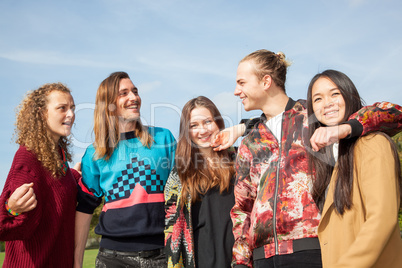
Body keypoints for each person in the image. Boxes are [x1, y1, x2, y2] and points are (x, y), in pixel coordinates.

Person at [231, 49, 402, 268]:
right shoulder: (250, 142)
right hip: (262, 256)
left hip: (312, 249)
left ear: (266, 81)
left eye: (242, 83)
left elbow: (393, 113)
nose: (236, 91)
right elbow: (242, 207)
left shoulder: (315, 114)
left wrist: (345, 129)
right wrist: (241, 261)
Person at [74, 71, 176, 268]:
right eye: (124, 93)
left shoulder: (164, 139)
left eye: (135, 91)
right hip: (112, 257)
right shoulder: (94, 154)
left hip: (162, 254)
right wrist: (77, 262)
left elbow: (186, 192)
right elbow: (85, 209)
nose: (133, 97)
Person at [307, 69, 402, 267]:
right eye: (318, 99)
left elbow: (381, 220)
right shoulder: (326, 159)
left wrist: (348, 128)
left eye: (335, 94)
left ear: (349, 94)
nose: (327, 103)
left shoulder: (372, 143)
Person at [0, 83, 80, 267]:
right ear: (42, 113)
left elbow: (55, 192)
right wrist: (11, 209)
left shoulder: (58, 158)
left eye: (72, 108)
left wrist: (75, 175)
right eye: (62, 108)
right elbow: (5, 226)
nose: (71, 114)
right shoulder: (28, 158)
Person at [164, 96, 238, 268]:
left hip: (241, 258)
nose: (202, 130)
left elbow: (266, 126)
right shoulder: (180, 175)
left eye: (207, 122)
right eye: (194, 126)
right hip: (201, 260)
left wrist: (239, 130)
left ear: (218, 122)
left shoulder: (240, 158)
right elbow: (172, 233)